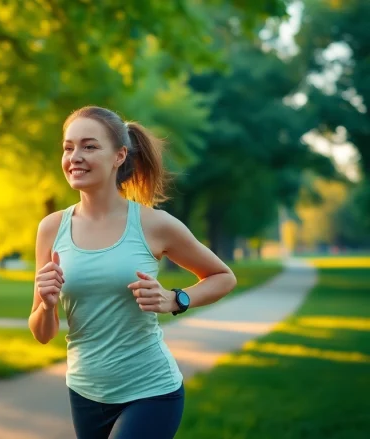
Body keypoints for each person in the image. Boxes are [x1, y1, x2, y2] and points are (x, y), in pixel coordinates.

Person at [28, 106, 237, 439]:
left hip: (151, 390)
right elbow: (42, 332)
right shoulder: (52, 228)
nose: (75, 156)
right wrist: (47, 304)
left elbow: (223, 276)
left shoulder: (153, 224)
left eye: (89, 146)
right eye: (68, 147)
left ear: (119, 156)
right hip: (84, 392)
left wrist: (175, 298)